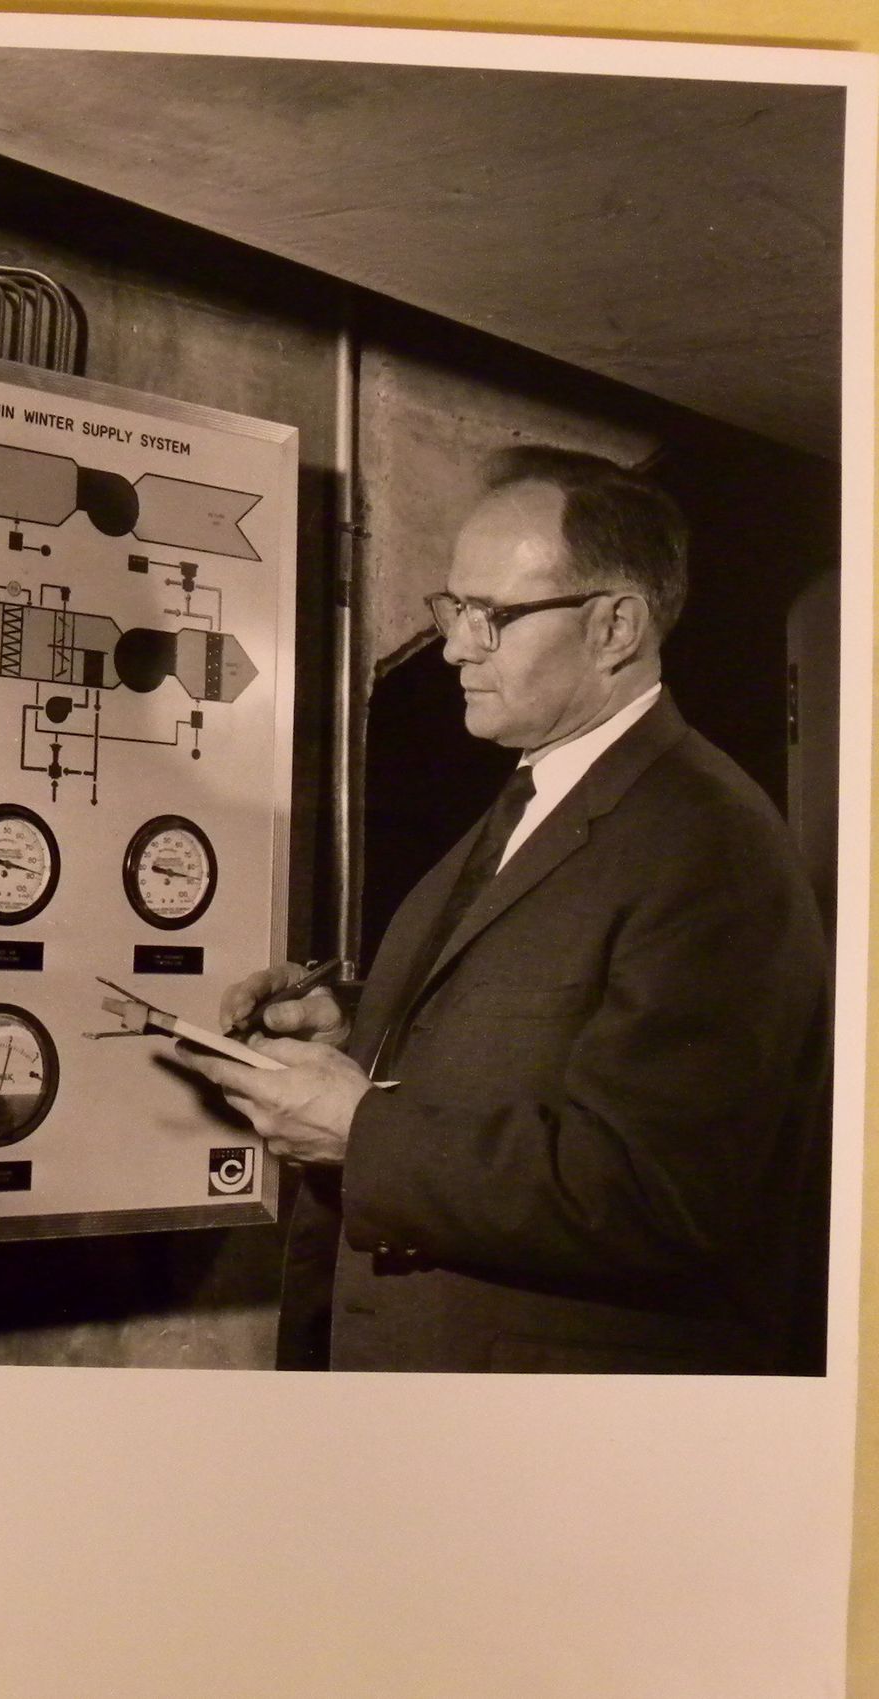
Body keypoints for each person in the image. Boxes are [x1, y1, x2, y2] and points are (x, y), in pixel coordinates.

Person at [179, 446, 831, 1375]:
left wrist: (360, 1131)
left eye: (493, 616)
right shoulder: (542, 795)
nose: (453, 646)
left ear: (615, 626)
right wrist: (359, 1024)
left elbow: (659, 1191)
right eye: (452, 609)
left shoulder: (712, 843)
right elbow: (548, 1019)